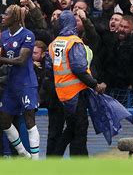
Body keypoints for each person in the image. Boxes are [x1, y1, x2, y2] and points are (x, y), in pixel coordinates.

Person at [46, 10, 107, 156]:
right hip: (76, 92)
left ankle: (54, 158)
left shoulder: (54, 44)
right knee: (79, 130)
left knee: (69, 129)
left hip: (60, 93)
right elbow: (79, 68)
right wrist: (95, 85)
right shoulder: (74, 42)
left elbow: (49, 68)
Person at [0, 4, 40, 159]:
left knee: (29, 119)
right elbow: (3, 57)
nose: (3, 17)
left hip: (26, 83)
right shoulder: (4, 35)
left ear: (15, 18)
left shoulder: (28, 35)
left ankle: (35, 160)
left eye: (6, 14)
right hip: (11, 84)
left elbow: (21, 60)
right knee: (4, 120)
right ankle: (23, 153)